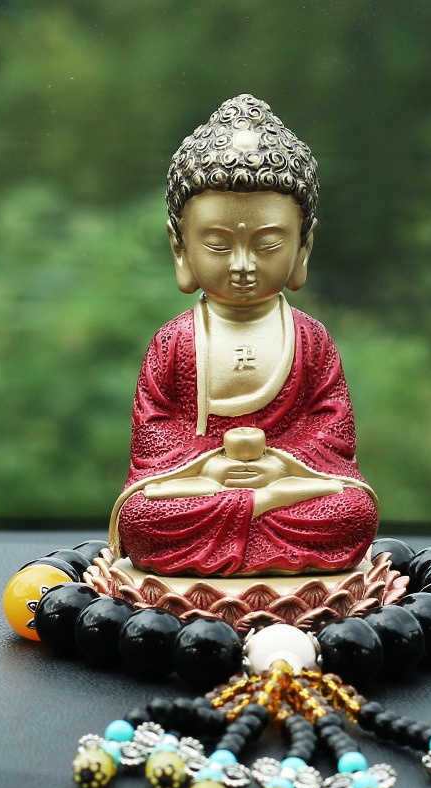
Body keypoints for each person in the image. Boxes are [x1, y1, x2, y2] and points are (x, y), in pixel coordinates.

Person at [109, 94, 378, 576]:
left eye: (268, 244)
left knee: (351, 513)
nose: (242, 265)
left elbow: (331, 431)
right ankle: (257, 523)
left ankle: (250, 523)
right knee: (142, 519)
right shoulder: (174, 342)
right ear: (180, 248)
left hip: (286, 484)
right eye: (217, 245)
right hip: (202, 487)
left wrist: (280, 466)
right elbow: (154, 435)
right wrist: (209, 467)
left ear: (303, 247)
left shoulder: (310, 340)